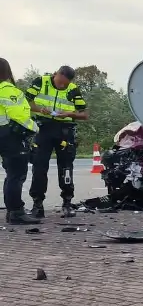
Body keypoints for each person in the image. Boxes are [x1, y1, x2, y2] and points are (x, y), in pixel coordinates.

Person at [26, 65, 87, 218]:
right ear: (56, 74)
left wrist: (68, 113)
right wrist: (39, 109)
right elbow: (26, 101)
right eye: (60, 82)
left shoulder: (73, 89)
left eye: (65, 84)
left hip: (64, 130)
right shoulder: (41, 82)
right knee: (39, 167)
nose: (61, 86)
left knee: (66, 167)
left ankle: (67, 203)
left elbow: (84, 114)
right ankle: (37, 204)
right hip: (43, 128)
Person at [1, 58, 41, 225]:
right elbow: (19, 116)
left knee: (11, 175)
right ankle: (16, 212)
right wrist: (35, 127)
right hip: (10, 135)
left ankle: (12, 210)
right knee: (16, 175)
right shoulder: (9, 90)